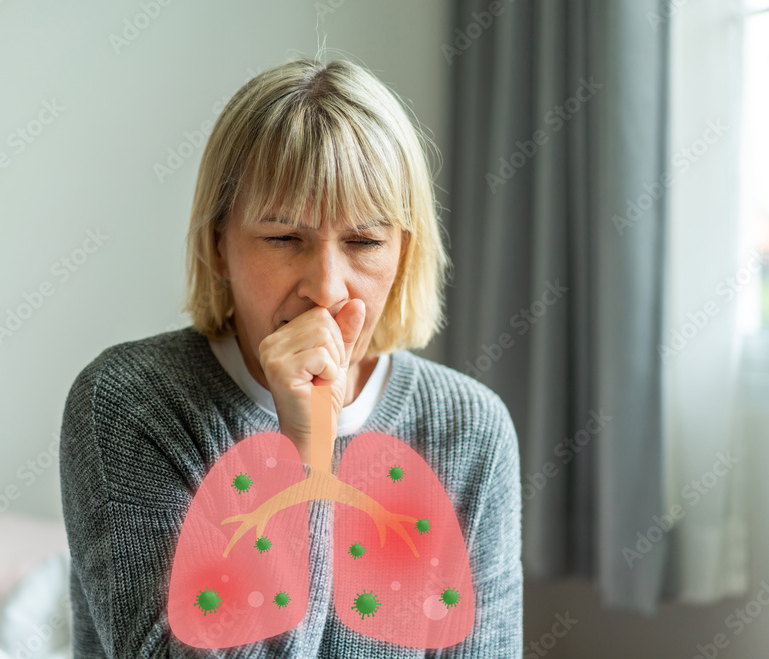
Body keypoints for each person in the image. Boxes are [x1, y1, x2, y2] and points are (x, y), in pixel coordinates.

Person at [59, 56, 522, 657]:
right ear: (217, 244)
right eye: (284, 239)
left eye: (364, 241)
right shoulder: (132, 402)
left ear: (404, 254)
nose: (327, 288)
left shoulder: (470, 428)